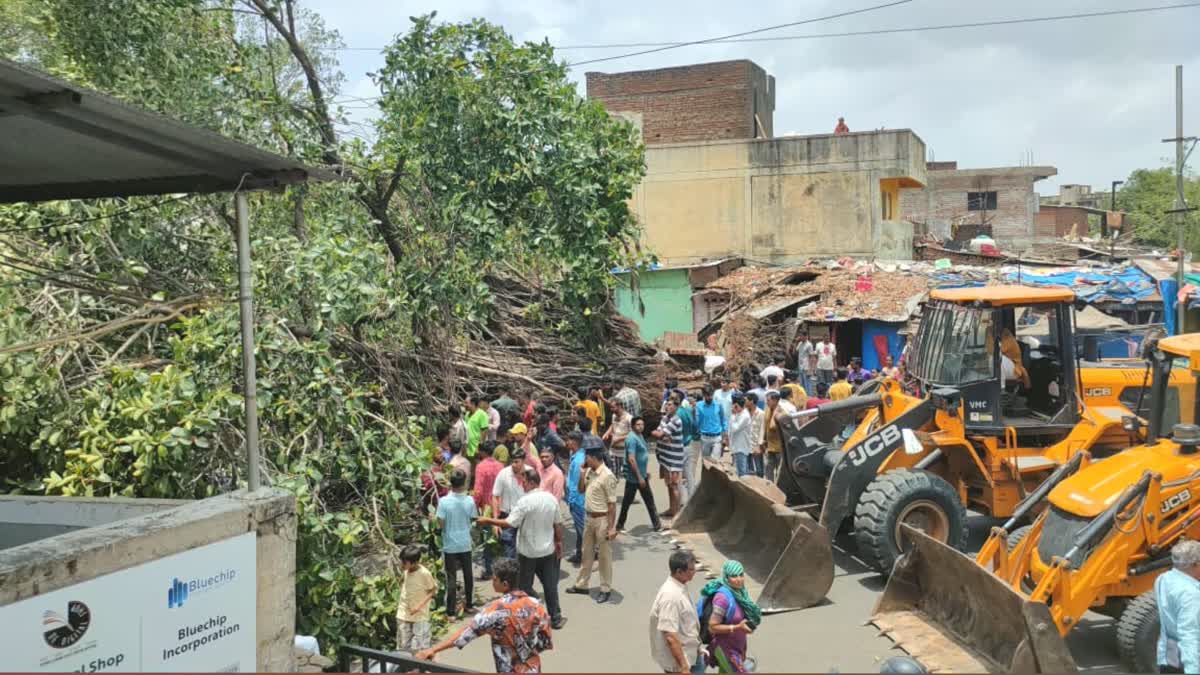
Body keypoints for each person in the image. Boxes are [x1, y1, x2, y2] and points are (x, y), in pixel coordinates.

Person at [416, 558, 552, 673]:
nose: (492, 582)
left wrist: (433, 649)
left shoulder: (494, 611)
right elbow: (545, 641)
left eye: (494, 580)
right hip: (533, 669)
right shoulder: (536, 605)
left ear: (505, 584)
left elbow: (466, 633)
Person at [479, 466, 567, 630]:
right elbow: (558, 524)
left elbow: (509, 523)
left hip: (528, 552)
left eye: (524, 482)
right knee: (550, 585)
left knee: (524, 587)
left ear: (532, 482)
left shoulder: (525, 501)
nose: (522, 485)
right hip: (547, 550)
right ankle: (556, 618)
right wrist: (559, 542)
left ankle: (530, 613)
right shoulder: (551, 499)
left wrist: (488, 520)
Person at [565, 446, 619, 603]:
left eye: (587, 457)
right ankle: (582, 585)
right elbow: (581, 490)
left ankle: (605, 588)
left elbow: (612, 505)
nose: (584, 460)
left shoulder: (607, 476)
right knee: (586, 553)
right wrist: (582, 475)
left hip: (602, 519)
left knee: (604, 556)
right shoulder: (589, 472)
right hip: (588, 518)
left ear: (594, 457)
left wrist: (612, 527)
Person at [700, 560, 762, 673]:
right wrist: (737, 627)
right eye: (734, 576)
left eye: (741, 575)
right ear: (726, 577)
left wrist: (743, 650)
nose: (739, 579)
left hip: (737, 649)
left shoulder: (741, 594)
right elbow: (712, 627)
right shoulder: (722, 598)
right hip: (725, 649)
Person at [650, 550, 703, 674]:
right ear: (679, 572)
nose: (694, 571)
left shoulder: (680, 586)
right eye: (691, 569)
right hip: (680, 664)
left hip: (691, 655)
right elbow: (670, 637)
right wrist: (684, 668)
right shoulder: (671, 596)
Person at [1155, 539, 1200, 673]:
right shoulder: (1190, 594)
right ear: (1195, 565)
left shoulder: (1163, 579)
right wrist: (1193, 670)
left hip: (1168, 656)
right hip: (1186, 662)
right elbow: (1189, 634)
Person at [438, 470, 477, 618]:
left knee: (451, 578)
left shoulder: (443, 502)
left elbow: (441, 523)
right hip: (465, 543)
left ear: (450, 483)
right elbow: (473, 518)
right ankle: (470, 605)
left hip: (450, 545)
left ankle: (451, 612)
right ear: (464, 483)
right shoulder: (469, 501)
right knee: (468, 575)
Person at [617, 416, 663, 532]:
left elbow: (641, 456)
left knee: (644, 500)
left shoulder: (640, 436)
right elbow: (632, 459)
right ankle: (656, 524)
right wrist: (640, 477)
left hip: (641, 475)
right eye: (638, 424)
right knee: (634, 501)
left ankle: (656, 524)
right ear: (632, 426)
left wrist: (644, 472)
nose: (641, 426)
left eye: (642, 424)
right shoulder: (632, 439)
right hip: (635, 477)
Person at [396, 545, 437, 653]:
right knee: (403, 647)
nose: (402, 564)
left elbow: (433, 591)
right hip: (403, 613)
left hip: (420, 616)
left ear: (415, 562)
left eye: (405, 562)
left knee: (420, 648)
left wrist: (418, 607)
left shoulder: (425, 574)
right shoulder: (406, 571)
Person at [473, 442, 504, 579]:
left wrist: (474, 505)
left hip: (487, 506)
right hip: (500, 503)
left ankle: (490, 570)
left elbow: (478, 490)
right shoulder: (500, 466)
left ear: (482, 452)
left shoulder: (481, 467)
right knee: (500, 536)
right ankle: (502, 568)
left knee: (487, 539)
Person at [493, 449, 528, 560]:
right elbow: (495, 496)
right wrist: (495, 522)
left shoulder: (531, 473)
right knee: (508, 549)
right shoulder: (503, 474)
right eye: (512, 461)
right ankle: (510, 576)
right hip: (507, 516)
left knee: (526, 549)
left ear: (523, 461)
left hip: (526, 517)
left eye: (516, 462)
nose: (513, 465)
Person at [653, 399, 686, 517]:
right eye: (666, 404)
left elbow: (659, 434)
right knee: (669, 485)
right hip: (665, 456)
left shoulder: (676, 420)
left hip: (674, 458)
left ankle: (676, 514)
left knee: (675, 485)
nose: (667, 407)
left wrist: (658, 434)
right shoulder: (665, 418)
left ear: (676, 407)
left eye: (670, 405)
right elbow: (660, 433)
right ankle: (672, 509)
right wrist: (660, 434)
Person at [564, 431, 587, 565]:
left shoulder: (578, 459)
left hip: (578, 500)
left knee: (582, 530)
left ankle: (586, 556)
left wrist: (572, 499)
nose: (566, 443)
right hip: (576, 499)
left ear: (574, 442)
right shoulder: (576, 456)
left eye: (568, 440)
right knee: (580, 530)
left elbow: (579, 484)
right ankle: (580, 554)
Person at [675, 392, 699, 506]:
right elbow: (695, 426)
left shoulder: (677, 414)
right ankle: (692, 497)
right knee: (689, 474)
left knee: (679, 475)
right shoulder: (688, 411)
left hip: (680, 446)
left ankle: (682, 501)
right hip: (689, 444)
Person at [695, 385, 727, 460]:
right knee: (705, 462)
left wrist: (725, 434)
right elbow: (697, 421)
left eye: (711, 395)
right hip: (704, 438)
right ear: (704, 395)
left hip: (717, 438)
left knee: (715, 462)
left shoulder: (718, 405)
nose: (709, 397)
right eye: (707, 395)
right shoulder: (698, 405)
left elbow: (723, 420)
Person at [603, 398, 632, 478]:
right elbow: (612, 425)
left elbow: (632, 434)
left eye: (613, 407)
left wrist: (619, 439)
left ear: (619, 406)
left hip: (624, 452)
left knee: (627, 475)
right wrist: (607, 433)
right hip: (613, 450)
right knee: (613, 474)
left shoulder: (629, 418)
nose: (611, 409)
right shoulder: (614, 416)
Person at [728, 395, 753, 478]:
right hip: (737, 446)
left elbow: (735, 428)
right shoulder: (739, 414)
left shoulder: (744, 416)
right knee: (740, 472)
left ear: (737, 405)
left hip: (741, 447)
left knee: (742, 474)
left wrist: (732, 415)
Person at [764, 392, 785, 482]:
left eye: (769, 400)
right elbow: (766, 425)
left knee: (779, 471)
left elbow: (772, 426)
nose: (767, 402)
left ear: (776, 401)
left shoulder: (781, 412)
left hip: (779, 448)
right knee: (768, 469)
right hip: (770, 447)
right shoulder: (768, 409)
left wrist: (775, 412)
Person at [747, 392, 766, 478]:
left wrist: (759, 445)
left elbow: (762, 430)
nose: (745, 402)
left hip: (756, 445)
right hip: (745, 445)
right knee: (748, 470)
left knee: (759, 470)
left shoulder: (761, 413)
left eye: (746, 400)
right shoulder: (744, 413)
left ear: (752, 401)